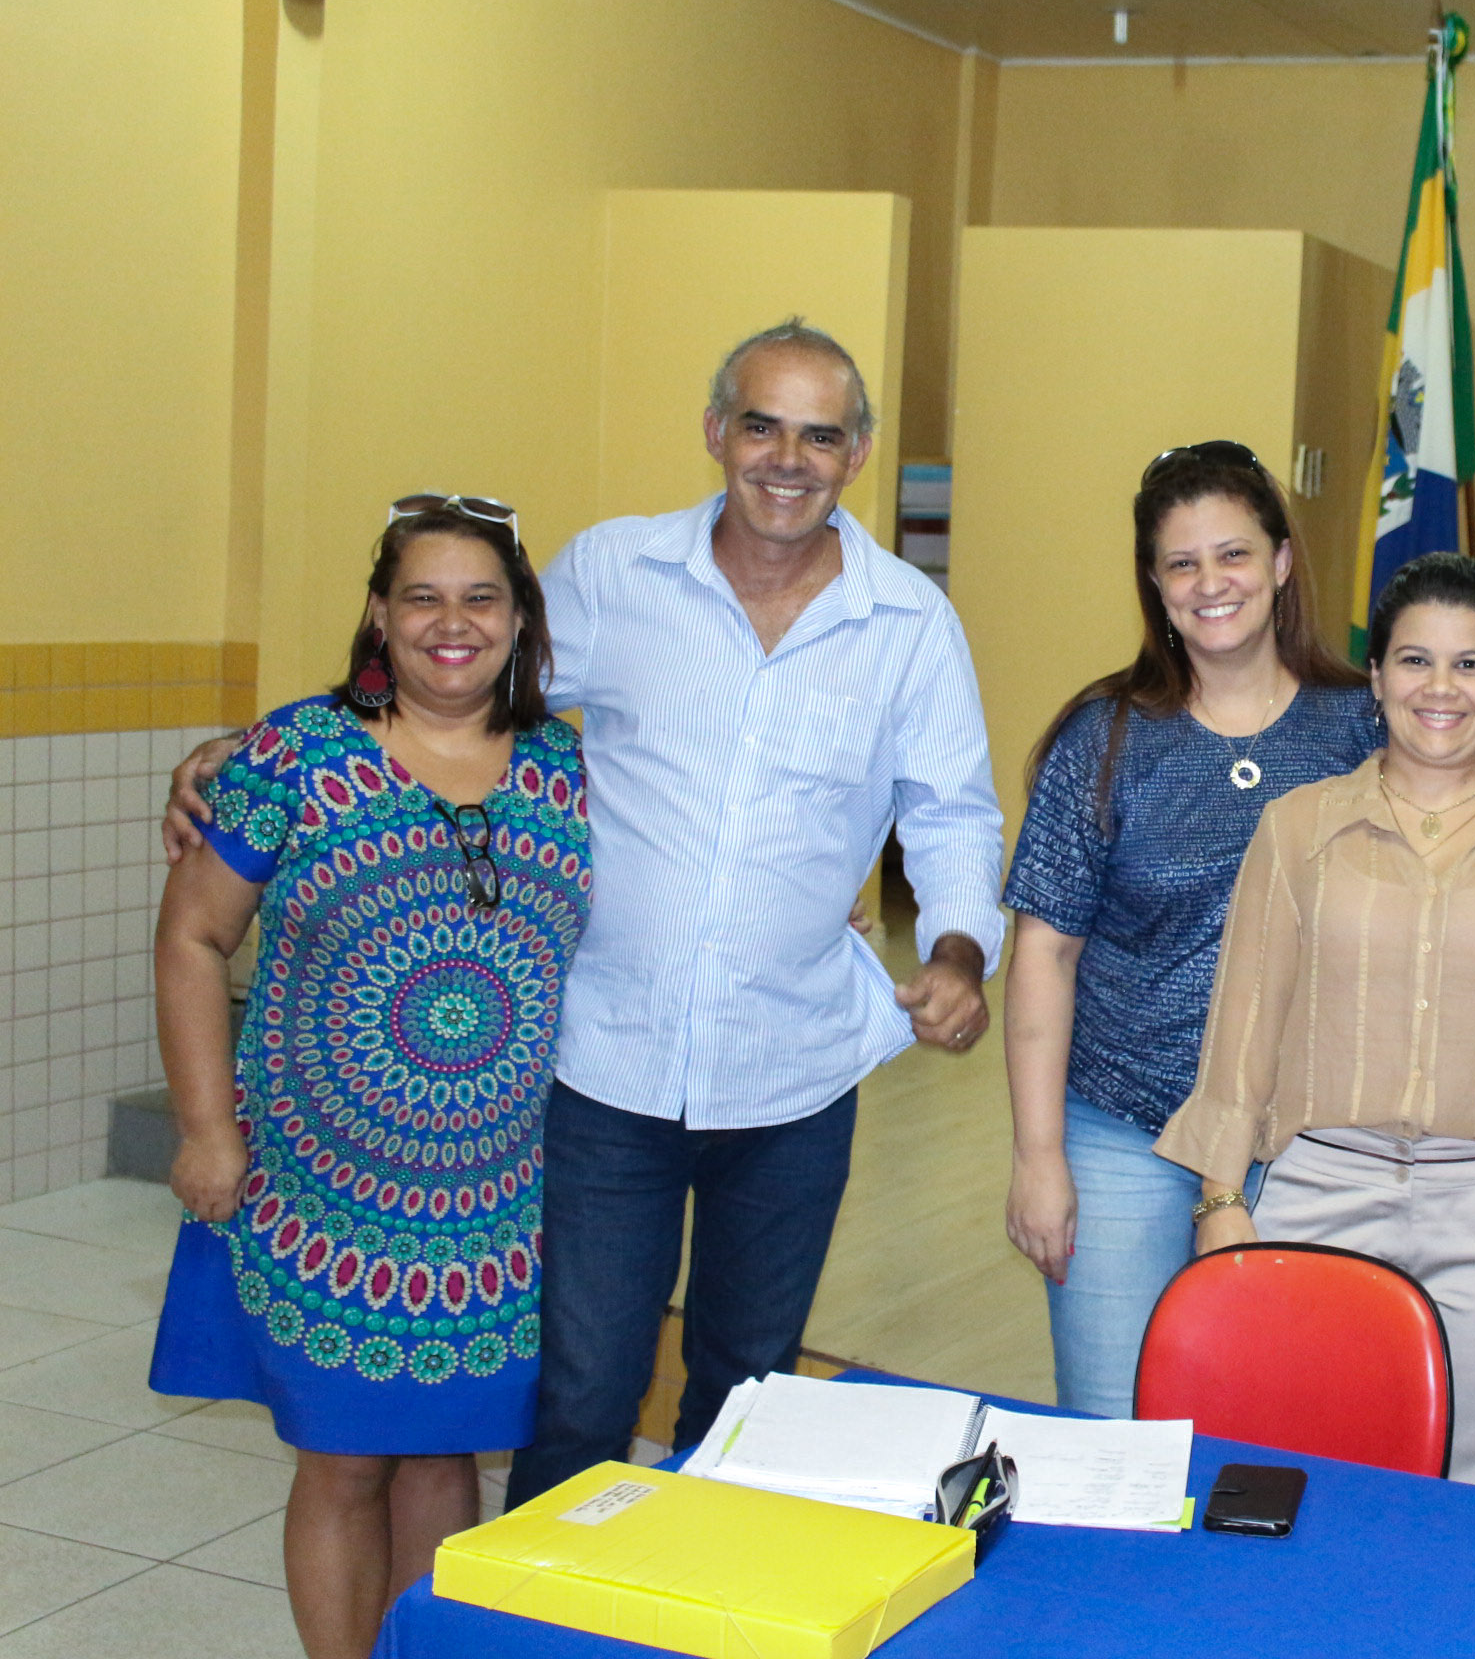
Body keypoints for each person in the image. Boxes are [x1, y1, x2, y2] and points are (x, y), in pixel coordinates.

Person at [169, 321, 1003, 1507]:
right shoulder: (615, 573)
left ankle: (700, 1620)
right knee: (582, 1390)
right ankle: (539, 1630)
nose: (787, 458)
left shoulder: (909, 624)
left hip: (794, 1073)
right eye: (761, 424)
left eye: (820, 435)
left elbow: (955, 812)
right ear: (717, 432)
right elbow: (464, 684)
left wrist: (962, 950)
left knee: (747, 1391)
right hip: (604, 1068)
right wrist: (250, 751)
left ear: (857, 453)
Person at [149, 499, 587, 1659]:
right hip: (325, 1180)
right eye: (424, 598)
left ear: (521, 620)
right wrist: (204, 1132)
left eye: (481, 597)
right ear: (379, 618)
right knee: (345, 1454)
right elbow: (192, 938)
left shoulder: (566, 767)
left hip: (492, 1195)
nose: (454, 623)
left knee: (444, 1453)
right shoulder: (294, 756)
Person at [1157, 553, 1475, 1490]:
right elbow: (1243, 1026)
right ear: (1376, 679)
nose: (1440, 688)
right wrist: (1220, 1200)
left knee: (1474, 1481)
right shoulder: (1299, 830)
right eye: (1415, 661)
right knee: (1298, 1468)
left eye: (1470, 664)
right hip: (1323, 1190)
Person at [1000, 441, 1376, 1418]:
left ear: (1283, 561)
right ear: (1156, 585)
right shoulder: (1108, 735)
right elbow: (1046, 952)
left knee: (1285, 1426)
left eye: (1234, 554)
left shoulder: (1362, 730)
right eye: (1182, 563)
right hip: (1125, 1129)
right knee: (1112, 1425)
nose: (1212, 583)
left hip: (1306, 1143)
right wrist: (1039, 1157)